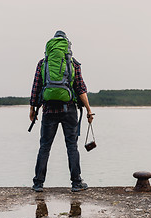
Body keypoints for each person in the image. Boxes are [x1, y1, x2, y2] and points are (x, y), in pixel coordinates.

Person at [29, 30, 94, 192]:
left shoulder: (43, 63)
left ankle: (38, 183)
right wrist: (88, 110)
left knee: (45, 146)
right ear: (67, 46)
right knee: (72, 146)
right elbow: (80, 89)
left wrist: (32, 109)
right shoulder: (73, 64)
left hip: (49, 110)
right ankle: (76, 183)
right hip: (69, 110)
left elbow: (36, 88)